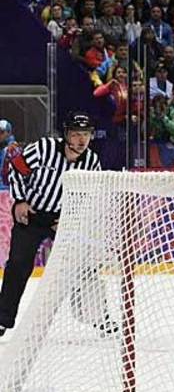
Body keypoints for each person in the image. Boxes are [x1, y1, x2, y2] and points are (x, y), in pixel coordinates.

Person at [1, 113, 104, 339]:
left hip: (63, 221)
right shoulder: (43, 148)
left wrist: (70, 218)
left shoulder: (92, 162)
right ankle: (2, 319)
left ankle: (99, 316)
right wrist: (19, 201)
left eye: (85, 135)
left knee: (84, 265)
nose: (81, 140)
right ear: (66, 134)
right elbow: (16, 169)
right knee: (18, 264)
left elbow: (89, 196)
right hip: (32, 215)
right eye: (76, 134)